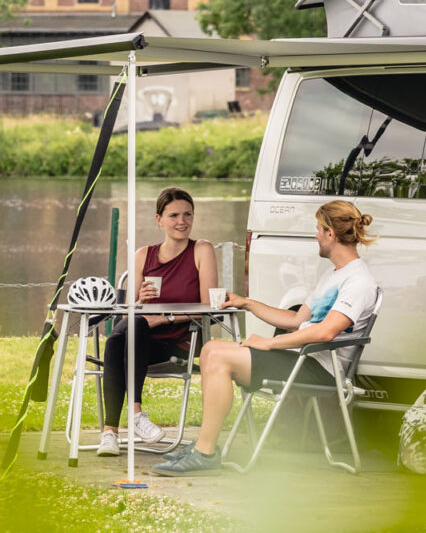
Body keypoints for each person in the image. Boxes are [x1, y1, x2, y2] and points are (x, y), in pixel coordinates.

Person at [152, 200, 379, 476]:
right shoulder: (333, 275)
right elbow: (296, 320)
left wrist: (269, 343)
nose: (316, 235)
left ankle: (205, 451)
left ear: (331, 234)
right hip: (301, 361)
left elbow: (325, 331)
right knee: (211, 349)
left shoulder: (358, 281)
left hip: (319, 370)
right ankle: (203, 446)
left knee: (218, 355)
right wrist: (246, 302)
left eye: (318, 229)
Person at [98, 187, 217, 457]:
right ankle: (128, 421)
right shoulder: (143, 255)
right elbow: (129, 310)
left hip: (179, 341)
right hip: (140, 340)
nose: (182, 222)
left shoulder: (201, 250)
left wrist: (164, 318)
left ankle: (112, 430)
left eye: (188, 215)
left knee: (119, 340)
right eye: (173, 215)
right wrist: (138, 298)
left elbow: (209, 307)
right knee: (125, 335)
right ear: (159, 219)